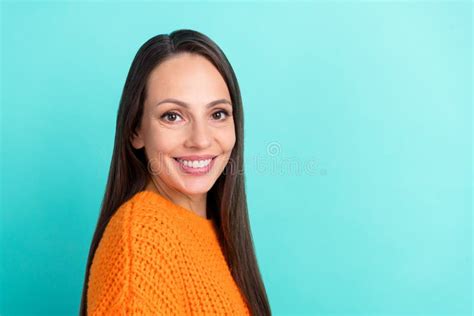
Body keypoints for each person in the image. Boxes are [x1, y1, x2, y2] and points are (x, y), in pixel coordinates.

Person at [79, 29, 271, 315]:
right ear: (136, 130)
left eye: (217, 114)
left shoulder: (215, 232)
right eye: (173, 115)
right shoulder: (141, 239)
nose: (201, 140)